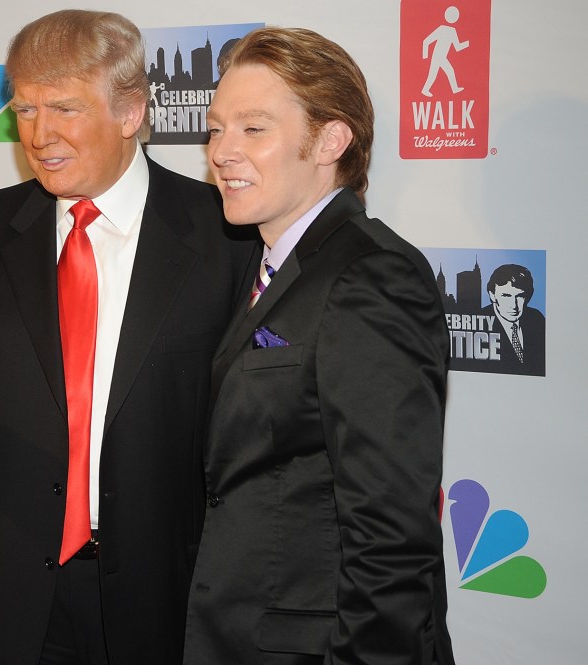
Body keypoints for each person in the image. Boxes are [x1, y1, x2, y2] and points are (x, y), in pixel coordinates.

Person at [0, 10, 255, 665]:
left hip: (166, 593)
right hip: (14, 592)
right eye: (26, 109)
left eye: (64, 108)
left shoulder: (226, 237)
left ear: (131, 112)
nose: (39, 135)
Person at [184, 27, 456, 664]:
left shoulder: (372, 276)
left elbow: (391, 534)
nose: (222, 151)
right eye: (216, 129)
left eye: (253, 129)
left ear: (331, 141)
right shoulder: (264, 264)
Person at [481, 263, 545, 375]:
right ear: (492, 295)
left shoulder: (536, 318)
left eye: (520, 296)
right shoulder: (478, 321)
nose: (513, 305)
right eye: (506, 296)